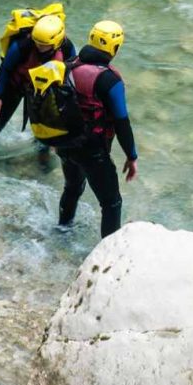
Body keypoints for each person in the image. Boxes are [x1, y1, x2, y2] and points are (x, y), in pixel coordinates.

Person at [56, 20, 138, 238]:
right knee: (112, 203)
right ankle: (108, 254)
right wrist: (131, 156)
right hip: (93, 151)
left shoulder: (69, 65)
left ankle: (61, 229)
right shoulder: (109, 80)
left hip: (64, 143)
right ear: (115, 48)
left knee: (72, 188)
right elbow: (122, 122)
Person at [0, 14, 76, 142]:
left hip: (42, 92)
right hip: (15, 87)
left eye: (43, 45)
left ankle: (41, 159)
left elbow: (71, 74)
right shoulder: (24, 44)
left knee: (47, 131)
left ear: (56, 42)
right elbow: (5, 68)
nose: (38, 46)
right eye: (37, 42)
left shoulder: (67, 48)